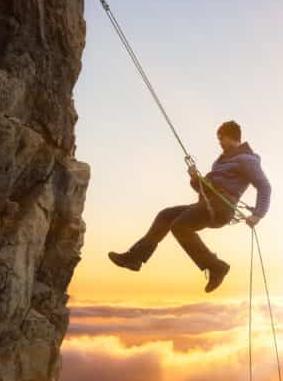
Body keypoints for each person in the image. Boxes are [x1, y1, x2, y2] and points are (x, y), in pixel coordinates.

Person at [108, 120, 271, 293]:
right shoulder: (221, 162)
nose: (219, 143)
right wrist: (195, 178)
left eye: (221, 138)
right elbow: (205, 190)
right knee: (165, 215)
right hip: (209, 204)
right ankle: (135, 258)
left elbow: (264, 186)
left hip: (222, 207)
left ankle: (216, 267)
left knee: (180, 226)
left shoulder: (246, 159)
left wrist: (258, 214)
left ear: (231, 137)